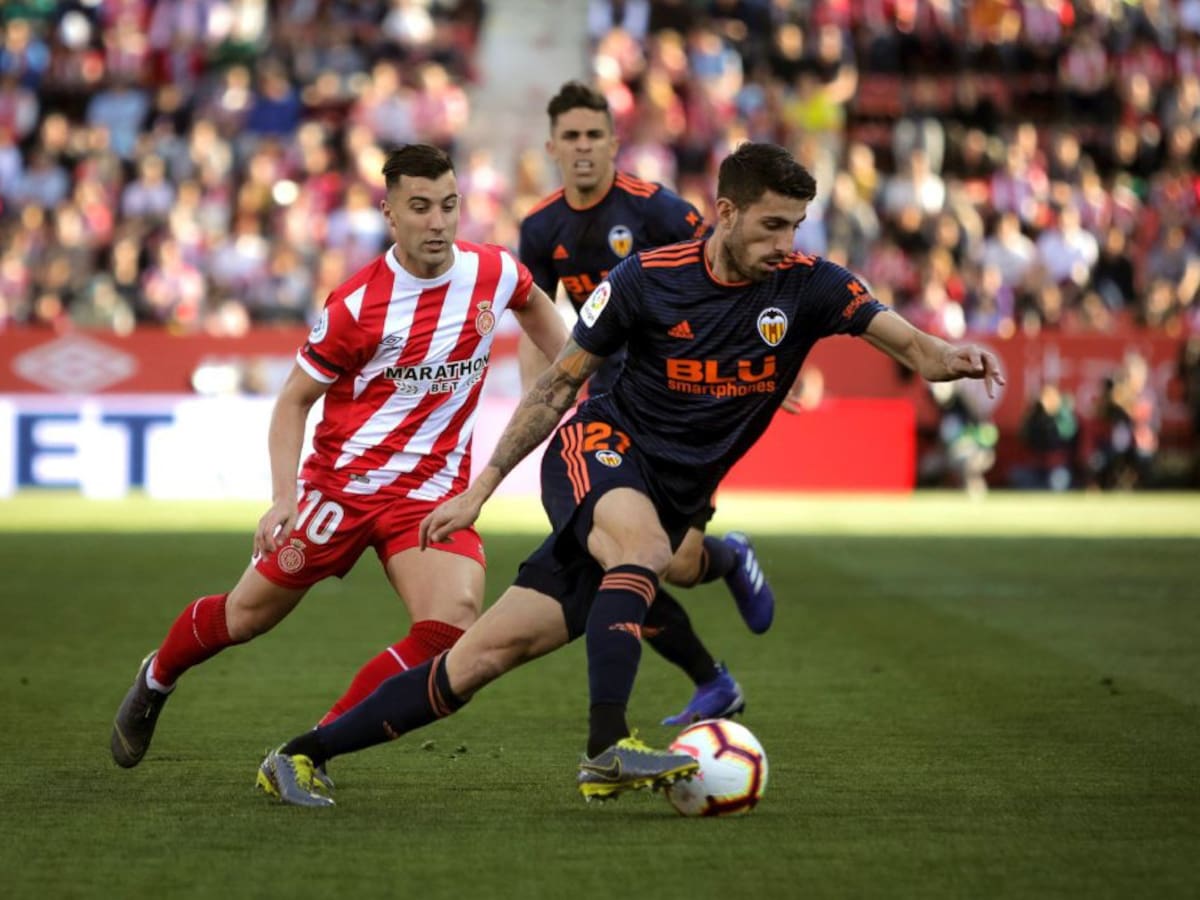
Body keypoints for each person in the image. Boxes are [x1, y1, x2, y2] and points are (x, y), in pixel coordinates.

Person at [256, 142, 1003, 808]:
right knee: (643, 551)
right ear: (725, 212)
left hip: (673, 496)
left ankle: (300, 754)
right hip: (597, 449)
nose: (786, 242)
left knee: (483, 656)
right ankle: (606, 749)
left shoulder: (809, 287)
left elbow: (914, 346)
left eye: (796, 226)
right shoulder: (646, 278)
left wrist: (954, 357)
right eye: (772, 224)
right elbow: (556, 386)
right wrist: (481, 488)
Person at [110, 144, 569, 773]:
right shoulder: (356, 305)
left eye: (449, 206)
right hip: (341, 490)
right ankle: (157, 677)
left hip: (429, 494)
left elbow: (548, 323)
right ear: (389, 213)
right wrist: (283, 496)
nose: (437, 222)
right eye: (420, 207)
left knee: (452, 627)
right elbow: (293, 402)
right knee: (244, 617)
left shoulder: (493, 274)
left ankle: (313, 749)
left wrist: (577, 376)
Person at [518, 81, 774, 726]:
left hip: (684, 406)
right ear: (552, 146)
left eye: (594, 135)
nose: (583, 147)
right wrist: (540, 404)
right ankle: (712, 682)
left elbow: (731, 276)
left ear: (614, 142)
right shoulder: (539, 227)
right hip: (608, 409)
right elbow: (535, 318)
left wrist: (763, 360)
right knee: (622, 558)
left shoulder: (658, 212)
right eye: (570, 136)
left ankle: (728, 561)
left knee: (677, 564)